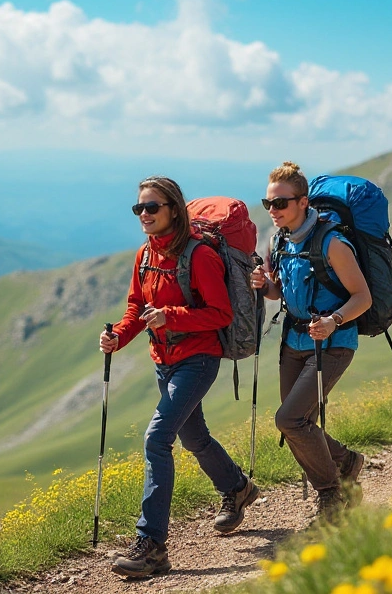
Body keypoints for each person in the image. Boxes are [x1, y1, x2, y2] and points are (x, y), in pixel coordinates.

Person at [100, 176, 257, 578]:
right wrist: (118, 336)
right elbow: (137, 307)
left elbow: (220, 313)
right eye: (139, 209)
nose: (145, 215)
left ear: (174, 209)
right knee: (193, 437)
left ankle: (152, 545)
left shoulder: (199, 256)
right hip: (164, 359)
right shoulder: (145, 256)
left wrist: (171, 316)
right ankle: (238, 488)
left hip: (198, 358)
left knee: (157, 437)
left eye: (152, 207)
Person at [250, 162, 371, 520]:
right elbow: (279, 293)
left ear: (303, 202)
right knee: (297, 423)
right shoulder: (280, 240)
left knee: (290, 420)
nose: (273, 210)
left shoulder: (333, 242)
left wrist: (333, 321)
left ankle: (332, 495)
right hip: (294, 340)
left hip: (333, 342)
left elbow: (362, 297)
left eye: (280, 203)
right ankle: (347, 462)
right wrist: (263, 285)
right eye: (268, 203)